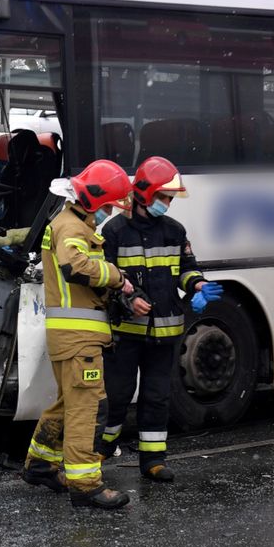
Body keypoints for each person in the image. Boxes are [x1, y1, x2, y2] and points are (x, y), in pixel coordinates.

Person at [100, 156, 223, 482]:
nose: (166, 204)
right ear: (143, 193)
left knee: (157, 397)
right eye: (163, 197)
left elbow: (186, 268)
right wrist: (130, 298)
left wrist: (198, 284)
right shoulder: (113, 232)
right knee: (117, 396)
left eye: (169, 199)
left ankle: (153, 460)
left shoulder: (174, 231)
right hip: (126, 334)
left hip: (165, 334)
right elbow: (106, 279)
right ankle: (99, 451)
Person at [21, 160, 135, 509]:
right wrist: (116, 276)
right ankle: (85, 484)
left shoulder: (67, 222)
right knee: (88, 406)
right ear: (96, 199)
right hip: (79, 338)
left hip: (69, 336)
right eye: (108, 205)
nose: (108, 212)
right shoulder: (72, 228)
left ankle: (40, 464)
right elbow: (75, 266)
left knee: (68, 401)